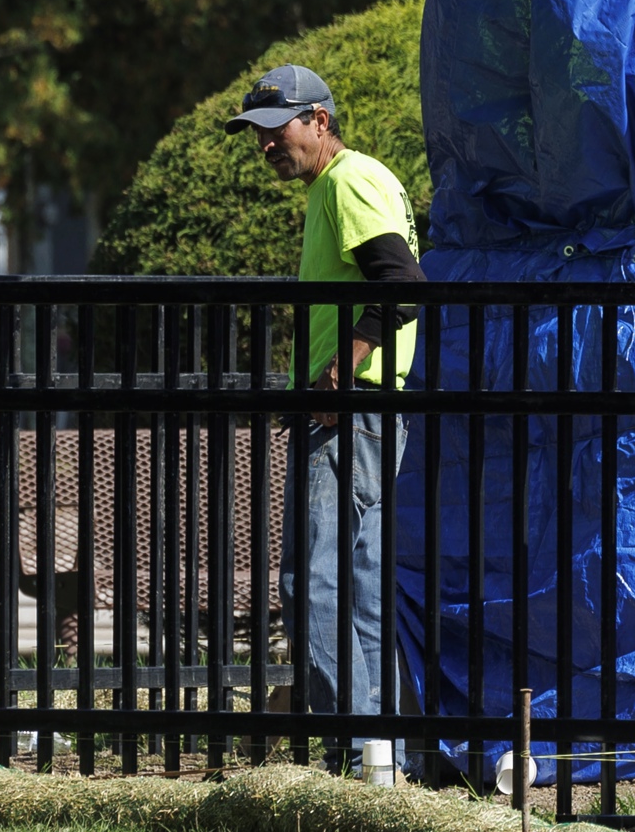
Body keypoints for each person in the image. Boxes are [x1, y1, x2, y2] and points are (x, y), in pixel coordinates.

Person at [226, 64, 423, 776]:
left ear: (319, 121)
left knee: (310, 585)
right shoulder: (342, 184)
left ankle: (349, 751)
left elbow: (403, 284)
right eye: (257, 135)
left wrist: (341, 369)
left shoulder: (347, 181)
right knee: (358, 590)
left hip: (349, 413)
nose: (266, 145)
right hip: (370, 414)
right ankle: (379, 761)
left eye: (275, 129)